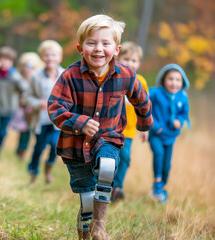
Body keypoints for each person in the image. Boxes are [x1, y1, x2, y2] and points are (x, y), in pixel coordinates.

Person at [47, 14, 153, 239]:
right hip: (75, 146)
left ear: (116, 49)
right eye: (91, 43)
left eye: (105, 43)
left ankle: (100, 225)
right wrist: (80, 122)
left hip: (108, 138)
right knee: (86, 198)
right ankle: (85, 231)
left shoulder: (126, 75)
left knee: (107, 167)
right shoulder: (69, 76)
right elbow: (55, 108)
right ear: (80, 47)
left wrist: (145, 124)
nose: (98, 49)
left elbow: (141, 99)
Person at [111, 42, 150, 202]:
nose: (129, 63)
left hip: (128, 131)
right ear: (118, 58)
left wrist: (145, 129)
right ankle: (103, 184)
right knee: (108, 158)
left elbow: (144, 108)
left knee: (125, 157)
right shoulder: (113, 77)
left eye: (134, 61)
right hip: (109, 128)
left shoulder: (140, 81)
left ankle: (117, 187)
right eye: (126, 59)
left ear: (139, 63)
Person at [148, 64, 190, 204]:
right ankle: (158, 184)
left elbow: (184, 112)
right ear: (163, 80)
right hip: (156, 133)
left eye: (178, 80)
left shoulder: (182, 96)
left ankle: (161, 187)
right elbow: (146, 108)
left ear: (182, 82)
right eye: (170, 79)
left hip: (170, 136)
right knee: (158, 154)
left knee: (167, 164)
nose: (174, 83)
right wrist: (155, 126)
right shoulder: (155, 93)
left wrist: (180, 120)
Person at [25, 42, 64, 184]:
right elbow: (28, 96)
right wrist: (38, 103)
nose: (50, 58)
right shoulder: (36, 76)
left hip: (57, 120)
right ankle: (33, 173)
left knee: (56, 145)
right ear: (42, 57)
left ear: (59, 57)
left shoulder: (64, 75)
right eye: (47, 55)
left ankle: (48, 168)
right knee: (39, 147)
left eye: (53, 55)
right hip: (40, 119)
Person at [10, 52, 44, 160]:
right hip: (20, 110)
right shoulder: (17, 79)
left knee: (31, 131)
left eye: (31, 66)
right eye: (26, 65)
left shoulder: (38, 80)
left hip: (34, 110)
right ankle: (20, 151)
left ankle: (25, 151)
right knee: (24, 131)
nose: (28, 69)